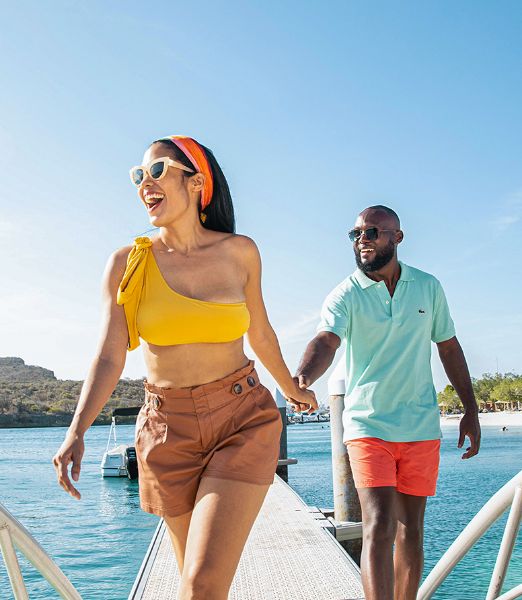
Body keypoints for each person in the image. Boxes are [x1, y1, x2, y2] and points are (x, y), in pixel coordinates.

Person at [52, 135, 317, 600]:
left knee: (200, 584)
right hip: (165, 430)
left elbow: (261, 334)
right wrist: (77, 430)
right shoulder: (126, 263)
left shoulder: (240, 252)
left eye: (155, 171)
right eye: (138, 177)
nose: (144, 185)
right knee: (193, 583)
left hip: (242, 419)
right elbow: (110, 355)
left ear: (197, 182)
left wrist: (291, 388)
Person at [294, 205, 481, 600]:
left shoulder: (428, 287)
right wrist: (303, 377)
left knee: (411, 530)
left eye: (373, 231)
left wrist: (471, 409)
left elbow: (447, 346)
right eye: (356, 233)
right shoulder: (345, 292)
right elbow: (326, 340)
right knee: (377, 524)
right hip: (367, 425)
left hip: (420, 426)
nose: (362, 239)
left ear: (397, 237)